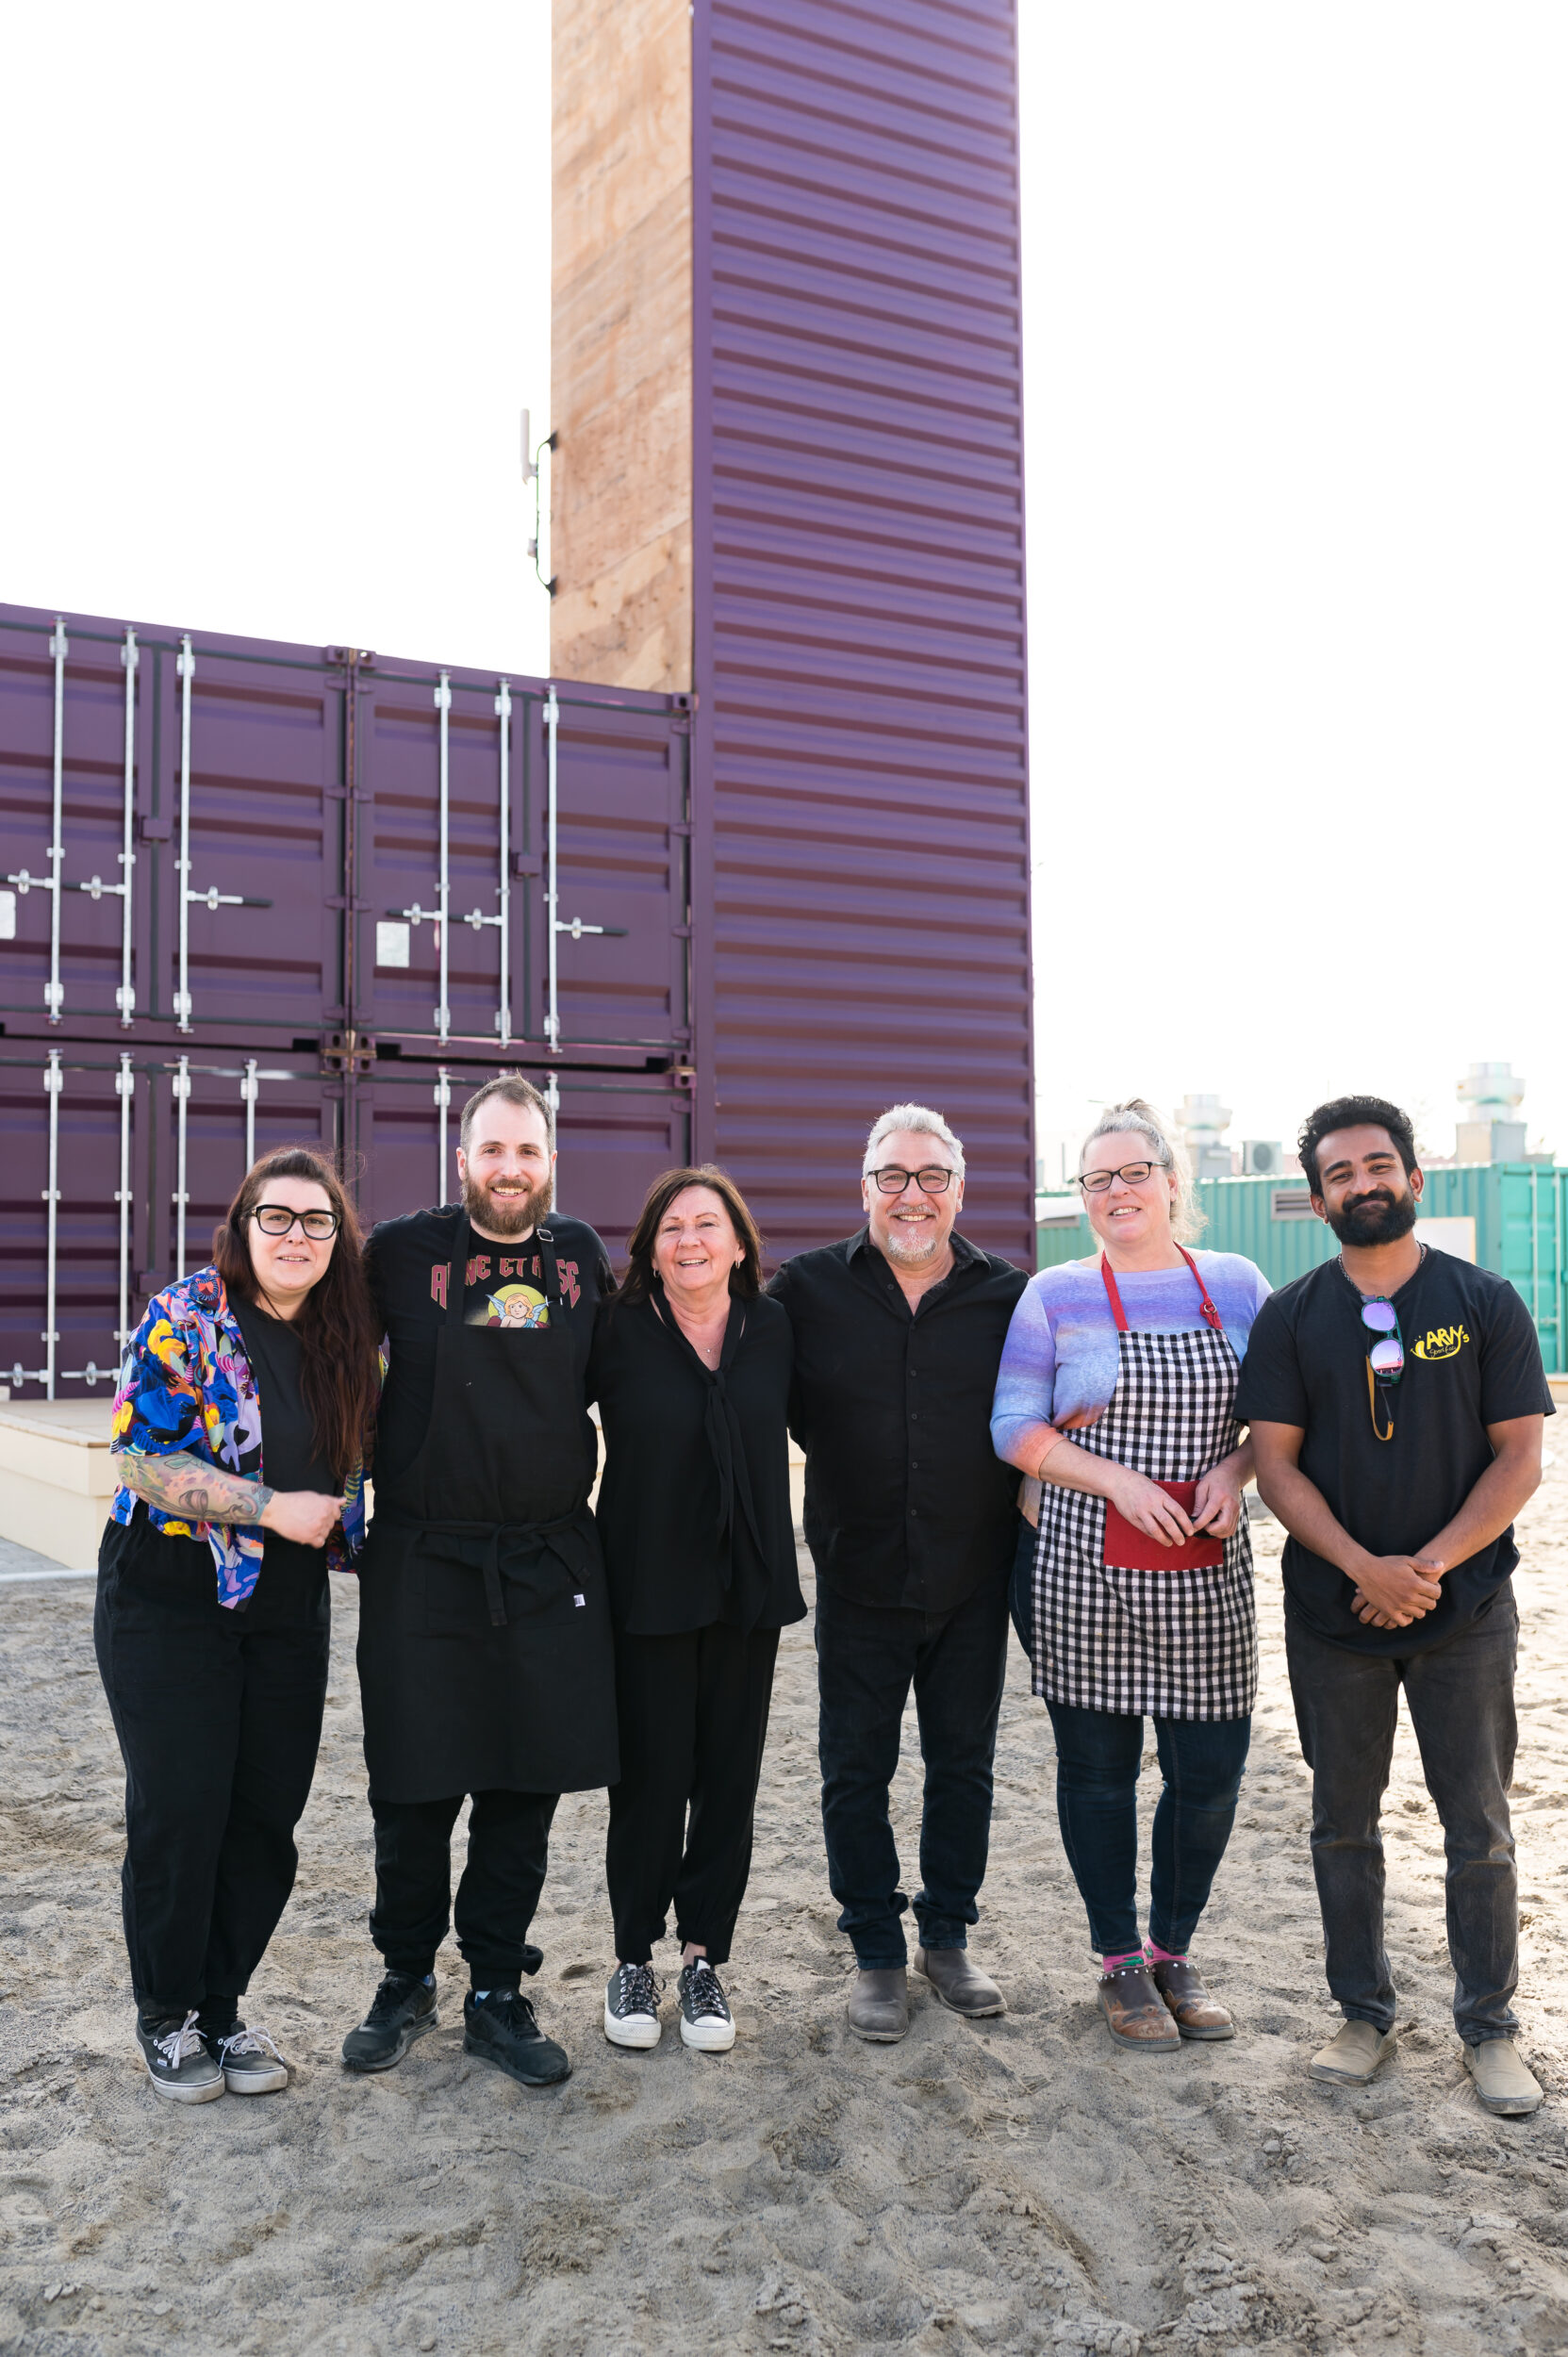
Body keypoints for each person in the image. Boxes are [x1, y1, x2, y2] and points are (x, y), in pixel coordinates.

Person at [1240, 1095, 1551, 2117]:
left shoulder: (1484, 1300)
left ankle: (1488, 2028)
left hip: (1467, 1611)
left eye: (1378, 1165)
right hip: (1333, 1616)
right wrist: (1361, 1568)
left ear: (1413, 1178)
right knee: (1342, 1823)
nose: (1362, 1183)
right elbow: (1275, 1468)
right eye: (1339, 1173)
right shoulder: (1289, 1317)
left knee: (1480, 1827)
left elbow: (1519, 1456)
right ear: (1317, 1200)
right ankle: (1362, 2016)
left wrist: (1424, 1567)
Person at [343, 1073, 619, 2090]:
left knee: (521, 1787)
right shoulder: (400, 1252)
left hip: (545, 1559)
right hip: (422, 1557)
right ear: (462, 1159)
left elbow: (623, 1385)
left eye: (527, 1152)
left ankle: (497, 1989)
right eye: (493, 1151)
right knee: (412, 1788)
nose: (510, 1169)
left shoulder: (580, 1258)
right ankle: (406, 1977)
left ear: (550, 1162)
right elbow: (330, 1355)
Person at [98, 1148, 378, 2102]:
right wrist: (267, 1507)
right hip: (169, 1590)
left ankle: (220, 2007)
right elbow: (139, 1458)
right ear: (243, 1225)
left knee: (265, 1814)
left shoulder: (350, 1339)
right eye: (277, 1217)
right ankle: (166, 2014)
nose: (297, 1235)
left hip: (287, 1600)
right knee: (182, 1805)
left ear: (338, 1239)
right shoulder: (187, 1316)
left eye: (317, 1220)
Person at [992, 1101, 1270, 2051]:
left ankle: (1172, 1950)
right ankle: (1118, 1960)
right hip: (1079, 1563)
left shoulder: (1236, 1284)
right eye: (1096, 1177)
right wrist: (1116, 1480)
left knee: (1210, 1776)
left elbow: (1286, 1416)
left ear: (1171, 1182)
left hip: (1204, 1564)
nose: (1116, 1190)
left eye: (1133, 1171)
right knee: (1099, 1775)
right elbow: (1012, 1427)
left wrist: (1236, 1472)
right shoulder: (1054, 1294)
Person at [767, 1104, 1025, 2041]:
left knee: (964, 1767)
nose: (911, 1194)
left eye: (930, 1176)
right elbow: (761, 1402)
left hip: (973, 1576)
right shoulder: (805, 1289)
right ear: (865, 1187)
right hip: (858, 1573)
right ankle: (876, 1948)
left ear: (958, 1189)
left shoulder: (1010, 1296)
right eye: (892, 1176)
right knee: (854, 1770)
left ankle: (945, 1938)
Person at [589, 1167, 802, 2055]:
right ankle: (634, 1958)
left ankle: (703, 1957)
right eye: (670, 1228)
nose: (689, 1241)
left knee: (728, 1779)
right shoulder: (614, 1330)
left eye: (707, 1225)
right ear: (648, 1249)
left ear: (740, 1245)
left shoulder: (774, 1329)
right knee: (649, 1779)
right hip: (646, 1586)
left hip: (746, 1588)